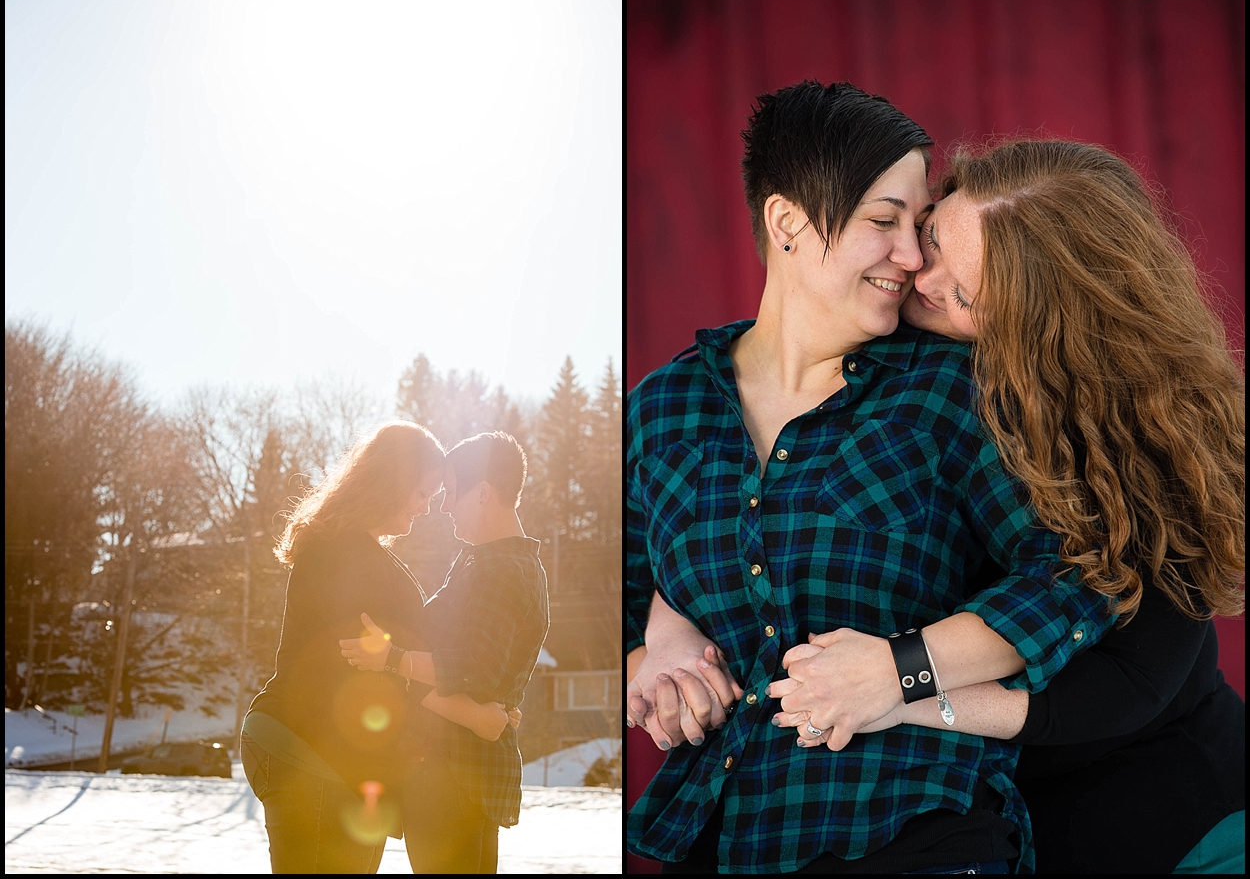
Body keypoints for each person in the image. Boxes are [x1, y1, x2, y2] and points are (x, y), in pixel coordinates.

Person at [645, 138, 1246, 873]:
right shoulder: (872, 366)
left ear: (1039, 334)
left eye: (963, 296)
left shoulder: (1137, 455)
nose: (917, 277)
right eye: (930, 238)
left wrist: (900, 687)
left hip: (1163, 818)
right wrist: (666, 630)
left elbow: (1127, 684)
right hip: (979, 820)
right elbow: (736, 523)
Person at [241, 421, 516, 874]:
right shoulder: (344, 555)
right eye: (422, 494)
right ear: (393, 483)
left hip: (337, 760)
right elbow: (382, 669)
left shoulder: (361, 551)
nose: (427, 509)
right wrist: (477, 713)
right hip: (307, 748)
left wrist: (485, 699)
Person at [339, 430, 550, 874]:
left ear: (483, 494)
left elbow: (473, 668)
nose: (444, 505)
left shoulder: (502, 568)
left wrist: (391, 660)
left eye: (452, 492)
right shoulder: (482, 561)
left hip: (457, 775)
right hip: (446, 771)